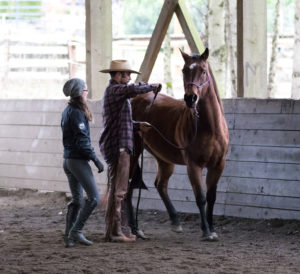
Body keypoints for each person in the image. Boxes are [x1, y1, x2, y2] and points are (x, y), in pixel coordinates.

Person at [99, 60, 161, 242]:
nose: (130, 78)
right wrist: (152, 86)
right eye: (127, 74)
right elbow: (132, 89)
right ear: (119, 75)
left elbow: (119, 122)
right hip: (119, 146)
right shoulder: (115, 91)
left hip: (118, 143)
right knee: (119, 191)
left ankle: (112, 231)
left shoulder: (116, 94)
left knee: (116, 190)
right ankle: (116, 232)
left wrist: (136, 126)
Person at [61, 78, 104, 247]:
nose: (87, 93)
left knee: (78, 200)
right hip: (77, 161)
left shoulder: (68, 110)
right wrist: (96, 160)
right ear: (80, 93)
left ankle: (69, 237)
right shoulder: (77, 112)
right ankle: (76, 231)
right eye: (85, 90)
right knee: (93, 198)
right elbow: (83, 141)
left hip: (68, 160)